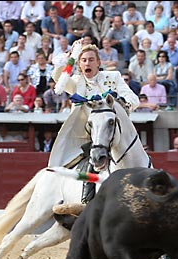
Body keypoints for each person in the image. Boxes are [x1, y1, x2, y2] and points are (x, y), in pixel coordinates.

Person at [50, 40, 140, 203]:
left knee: (134, 149)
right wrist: (69, 57)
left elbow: (133, 99)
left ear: (98, 62)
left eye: (91, 59)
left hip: (114, 129)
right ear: (79, 64)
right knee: (94, 152)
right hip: (89, 132)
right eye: (83, 60)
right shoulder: (76, 83)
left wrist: (120, 104)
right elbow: (58, 78)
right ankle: (87, 197)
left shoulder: (113, 77)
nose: (87, 63)